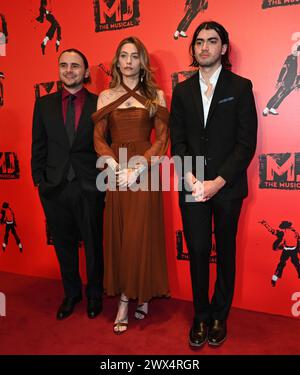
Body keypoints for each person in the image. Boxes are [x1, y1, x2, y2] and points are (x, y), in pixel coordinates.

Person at [170, 21, 257, 347]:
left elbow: (246, 143)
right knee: (198, 252)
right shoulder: (181, 91)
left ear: (223, 48)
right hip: (192, 184)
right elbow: (176, 142)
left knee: (226, 252)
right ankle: (201, 316)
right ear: (192, 49)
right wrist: (192, 179)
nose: (204, 47)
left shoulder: (240, 87)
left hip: (227, 187)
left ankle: (220, 315)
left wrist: (218, 182)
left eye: (212, 41)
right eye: (199, 42)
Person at [93, 36, 169, 334]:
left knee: (141, 235)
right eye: (123, 56)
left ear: (142, 61)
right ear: (117, 61)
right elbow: (99, 138)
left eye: (134, 56)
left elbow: (162, 139)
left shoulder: (156, 96)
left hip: (144, 172)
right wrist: (113, 165)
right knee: (122, 236)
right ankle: (132, 296)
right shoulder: (105, 96)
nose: (128, 61)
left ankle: (130, 298)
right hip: (115, 173)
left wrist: (138, 167)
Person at [31, 48, 105, 320]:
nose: (69, 70)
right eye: (64, 65)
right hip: (55, 187)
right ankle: (71, 293)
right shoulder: (44, 104)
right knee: (63, 244)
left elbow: (106, 147)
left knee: (94, 245)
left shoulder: (100, 103)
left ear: (86, 72)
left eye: (75, 65)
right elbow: (38, 144)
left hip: (90, 185)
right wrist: (39, 179)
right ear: (59, 69)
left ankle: (95, 294)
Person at [262, 45, 300, 117]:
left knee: (284, 95)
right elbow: (284, 69)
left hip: (295, 82)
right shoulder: (291, 57)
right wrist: (279, 80)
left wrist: (298, 84)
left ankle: (273, 108)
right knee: (278, 94)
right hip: (288, 80)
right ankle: (267, 108)